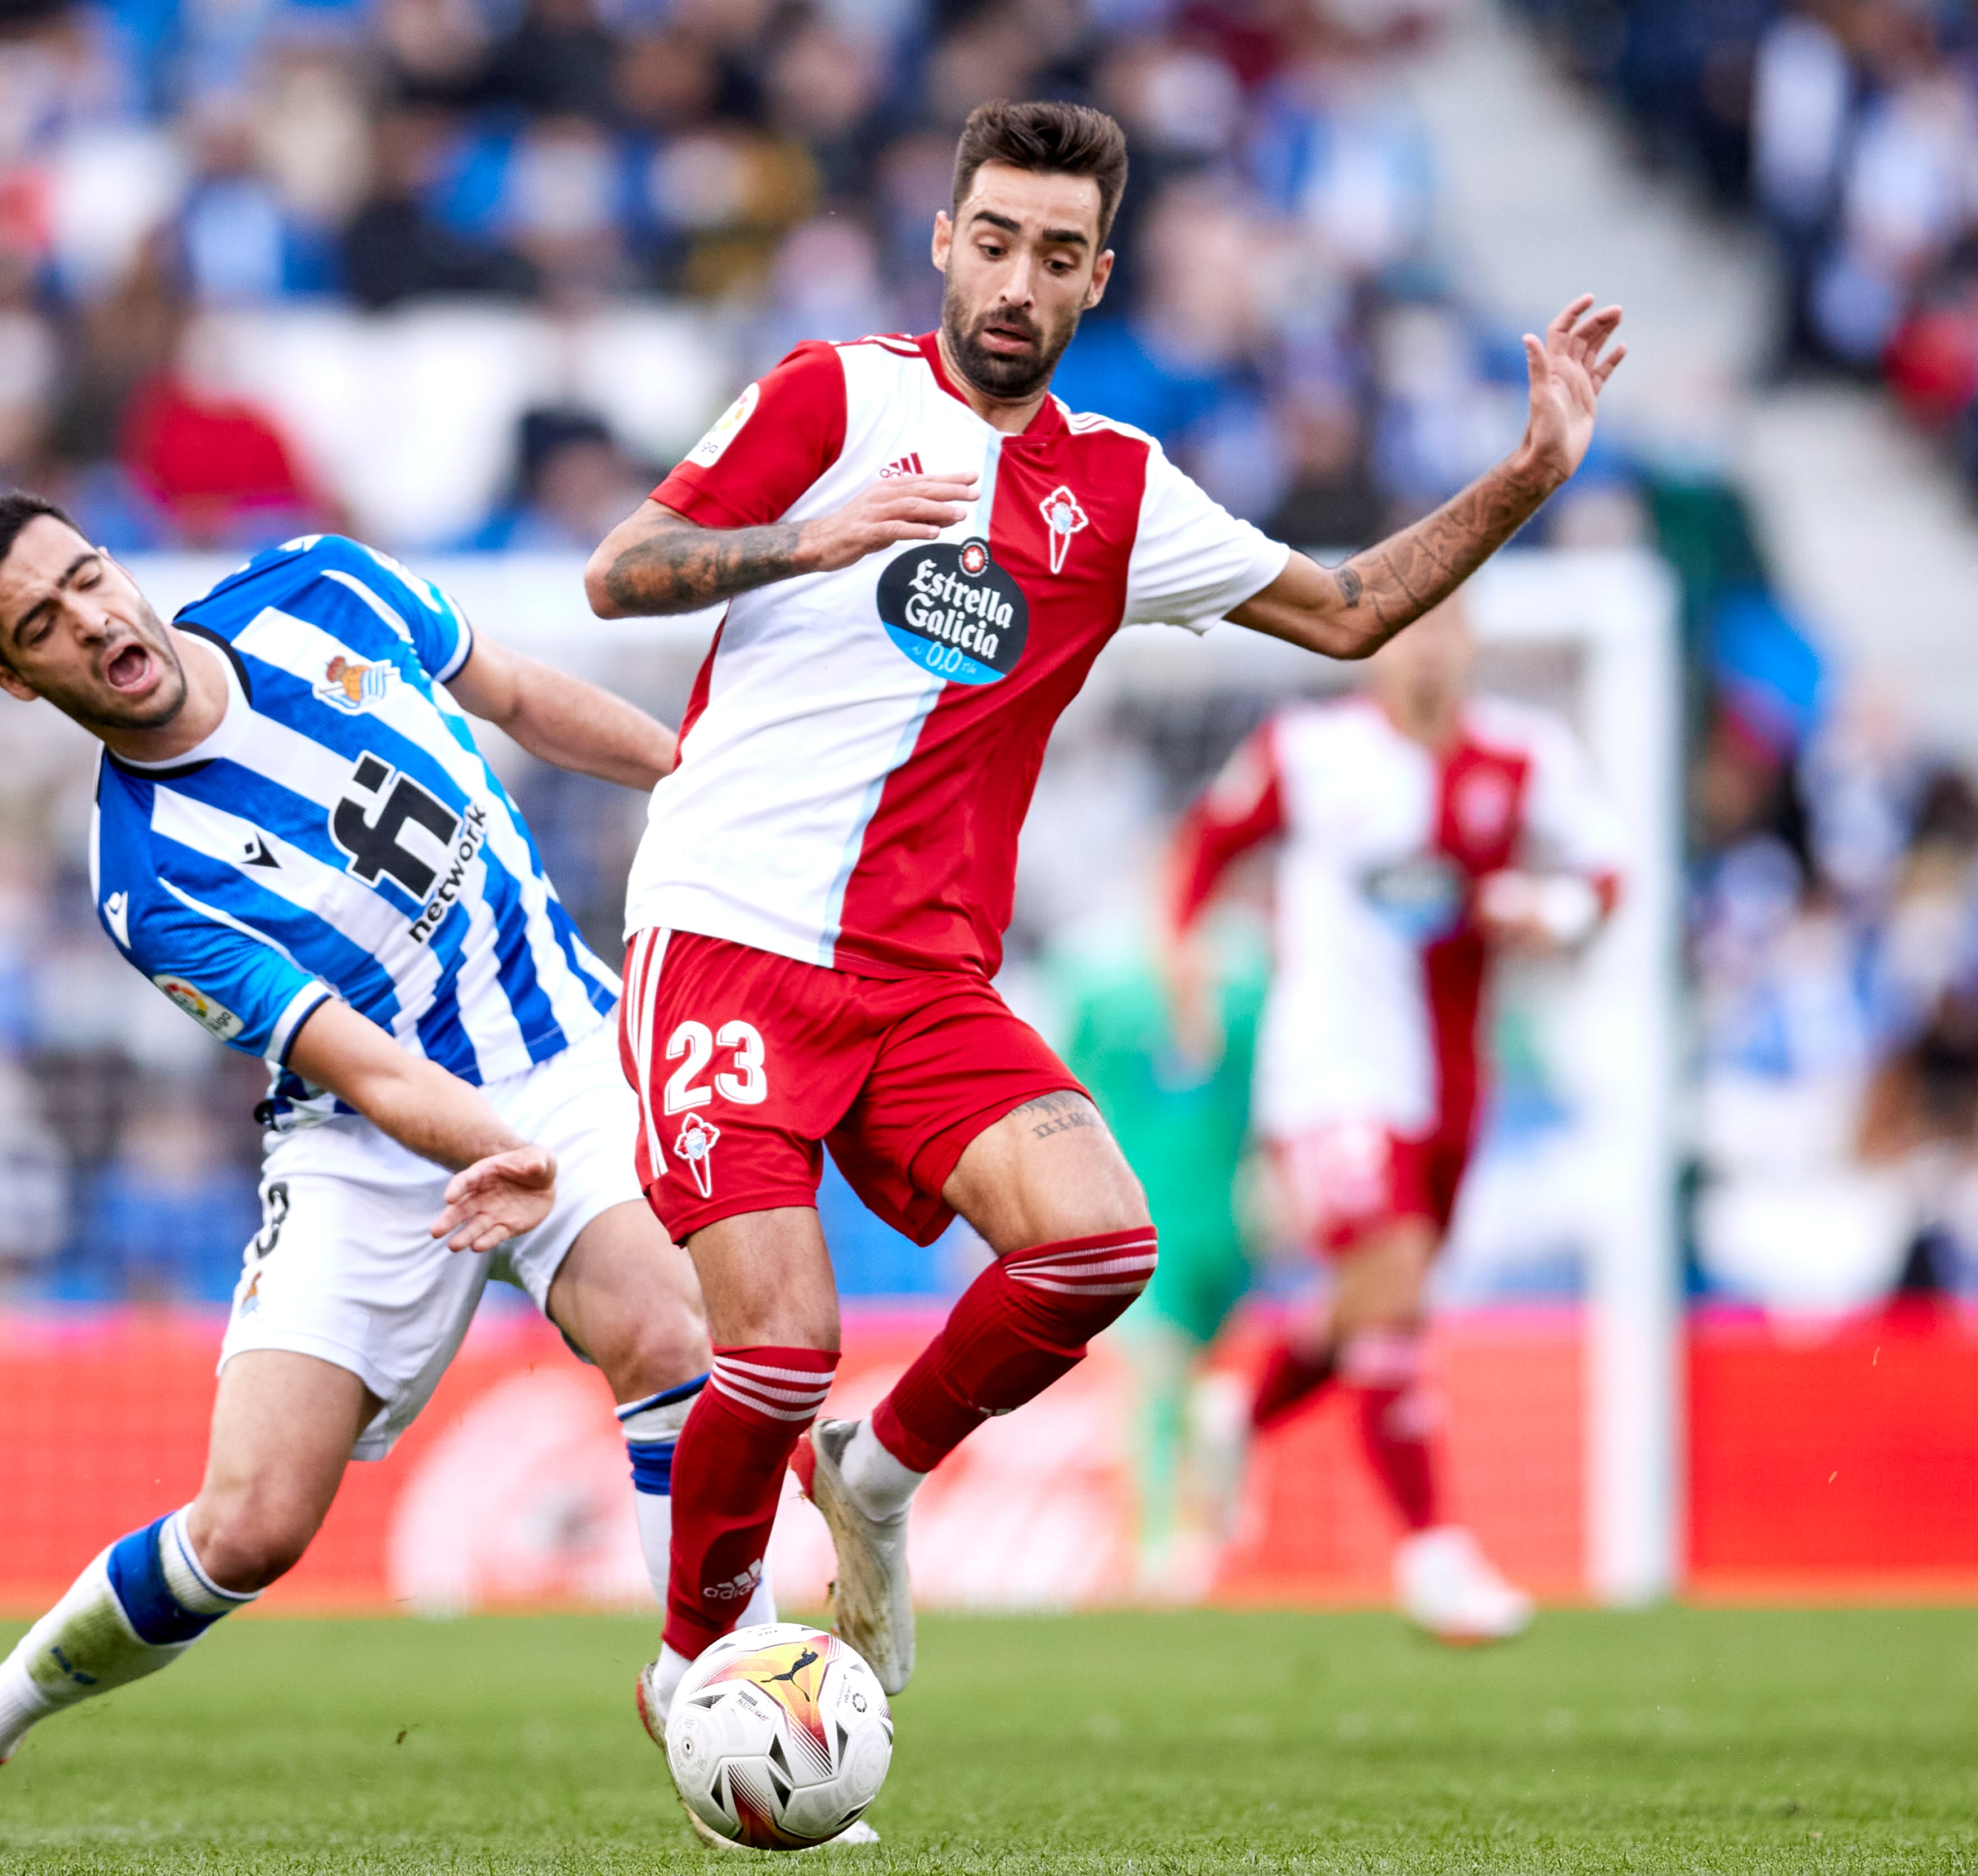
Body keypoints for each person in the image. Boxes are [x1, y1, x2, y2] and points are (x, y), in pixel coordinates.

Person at [578, 97, 1623, 1709]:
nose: (1015, 279)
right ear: (944, 241)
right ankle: (698, 1659)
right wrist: (808, 539)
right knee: (778, 1348)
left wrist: (1530, 473)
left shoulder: (1119, 491)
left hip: (925, 976)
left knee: (1097, 1246)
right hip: (729, 935)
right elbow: (620, 566)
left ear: (1097, 280)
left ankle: (879, 1473)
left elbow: (1344, 613)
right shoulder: (831, 396)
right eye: (991, 240)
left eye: (1054, 255)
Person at [0, 496, 735, 1855]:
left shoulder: (322, 587)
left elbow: (519, 695)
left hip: (561, 1041)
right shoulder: (149, 882)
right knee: (250, 1529)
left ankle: (702, 1702)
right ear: (12, 677)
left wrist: (693, 779)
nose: (97, 623)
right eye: (44, 626)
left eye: (89, 580)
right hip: (367, 1143)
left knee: (661, 1328)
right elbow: (376, 1075)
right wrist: (500, 1158)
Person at [1164, 598, 1625, 1641]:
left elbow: (1608, 873)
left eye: (1445, 627)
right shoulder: (1311, 749)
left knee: (1377, 1294)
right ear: (1376, 646)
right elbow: (1207, 843)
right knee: (1399, 1276)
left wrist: (1552, 912)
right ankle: (1433, 1549)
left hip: (1454, 1087)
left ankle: (1240, 1407)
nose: (1425, 647)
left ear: (1469, 641)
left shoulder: (1525, 756)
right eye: (1407, 628)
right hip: (1327, 1071)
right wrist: (1185, 955)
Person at [1046, 919, 1267, 1603]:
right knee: (1168, 1374)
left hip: (1161, 1216)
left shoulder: (1110, 1004)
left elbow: (1059, 1098)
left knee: (1158, 1382)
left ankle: (1163, 1544)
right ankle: (1181, 1522)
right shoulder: (1250, 999)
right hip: (1215, 1216)